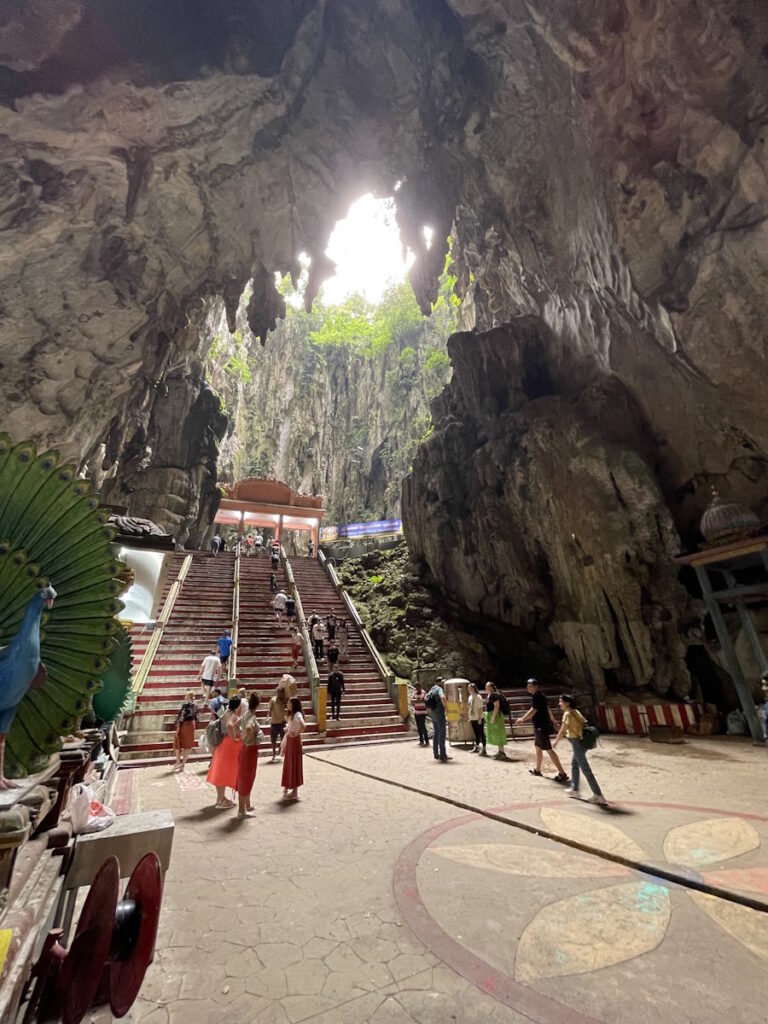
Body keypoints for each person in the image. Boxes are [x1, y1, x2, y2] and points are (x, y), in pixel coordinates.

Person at [553, 695, 606, 804]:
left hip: (577, 743)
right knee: (574, 764)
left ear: (567, 703)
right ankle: (575, 789)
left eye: (561, 702)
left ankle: (598, 795)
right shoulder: (576, 711)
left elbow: (563, 730)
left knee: (585, 769)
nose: (559, 704)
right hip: (582, 742)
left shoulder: (567, 714)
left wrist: (556, 741)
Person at [515, 678, 568, 782]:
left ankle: (562, 773)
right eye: (527, 686)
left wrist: (522, 719)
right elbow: (547, 709)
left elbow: (533, 710)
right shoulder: (540, 696)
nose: (528, 688)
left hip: (541, 726)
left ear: (536, 686)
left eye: (530, 686)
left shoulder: (537, 697)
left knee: (548, 749)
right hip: (540, 726)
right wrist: (553, 720)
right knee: (538, 747)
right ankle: (538, 770)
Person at [206, 696, 243, 808]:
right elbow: (229, 725)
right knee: (223, 772)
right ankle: (221, 800)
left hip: (222, 744)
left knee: (220, 772)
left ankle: (220, 798)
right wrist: (234, 738)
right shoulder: (233, 715)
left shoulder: (226, 712)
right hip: (229, 746)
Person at [236, 693, 263, 818]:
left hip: (244, 748)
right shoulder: (251, 717)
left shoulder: (245, 714)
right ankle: (241, 810)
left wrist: (241, 737)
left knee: (245, 778)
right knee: (246, 779)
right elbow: (248, 728)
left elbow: (237, 726)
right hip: (250, 749)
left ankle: (246, 805)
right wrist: (251, 739)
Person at [281, 696, 306, 799]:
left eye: (289, 703)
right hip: (291, 741)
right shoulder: (293, 715)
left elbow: (303, 725)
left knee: (294, 763)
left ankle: (294, 790)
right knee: (289, 763)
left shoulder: (297, 714)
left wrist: (296, 733)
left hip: (294, 741)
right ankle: (288, 787)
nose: (287, 705)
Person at [425, 677, 451, 762]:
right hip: (439, 713)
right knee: (442, 733)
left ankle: (435, 753)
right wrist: (446, 708)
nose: (443, 684)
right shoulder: (439, 689)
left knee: (436, 733)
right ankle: (443, 754)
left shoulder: (432, 689)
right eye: (442, 682)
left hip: (433, 713)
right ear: (439, 682)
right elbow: (442, 697)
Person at [173, 691, 198, 772]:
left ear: (189, 697)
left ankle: (178, 762)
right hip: (191, 725)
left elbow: (181, 717)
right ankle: (183, 765)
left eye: (186, 696)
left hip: (184, 725)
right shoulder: (195, 705)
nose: (184, 697)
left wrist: (178, 727)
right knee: (188, 745)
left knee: (177, 742)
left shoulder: (186, 705)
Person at [485, 682, 509, 759]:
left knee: (499, 733)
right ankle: (500, 751)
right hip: (493, 715)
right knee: (496, 733)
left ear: (492, 687)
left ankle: (502, 752)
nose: (486, 688)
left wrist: (493, 717)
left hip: (496, 716)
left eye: (488, 687)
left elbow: (496, 706)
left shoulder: (494, 695)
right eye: (486, 687)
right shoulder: (490, 695)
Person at [269, 685, 288, 761]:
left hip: (283, 722)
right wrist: (267, 716)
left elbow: (287, 708)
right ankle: (274, 753)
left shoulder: (285, 700)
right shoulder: (273, 700)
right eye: (279, 693)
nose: (280, 694)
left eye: (281, 693)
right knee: (273, 739)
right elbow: (269, 709)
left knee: (283, 738)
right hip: (274, 722)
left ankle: (280, 750)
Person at [467, 682, 487, 755]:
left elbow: (480, 708)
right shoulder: (470, 697)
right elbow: (469, 707)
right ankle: (476, 747)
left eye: (470, 688)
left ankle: (484, 748)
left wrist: (479, 717)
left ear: (473, 688)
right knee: (476, 733)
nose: (468, 689)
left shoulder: (478, 697)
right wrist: (469, 717)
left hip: (478, 717)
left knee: (481, 733)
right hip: (472, 717)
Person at [412, 681, 429, 746]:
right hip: (416, 712)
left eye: (417, 687)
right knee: (419, 727)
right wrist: (417, 700)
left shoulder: (423, 692)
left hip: (423, 712)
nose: (416, 688)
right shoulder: (414, 692)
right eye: (415, 687)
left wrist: (416, 700)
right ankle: (421, 741)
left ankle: (427, 741)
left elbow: (422, 699)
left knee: (423, 726)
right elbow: (411, 700)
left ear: (420, 686)